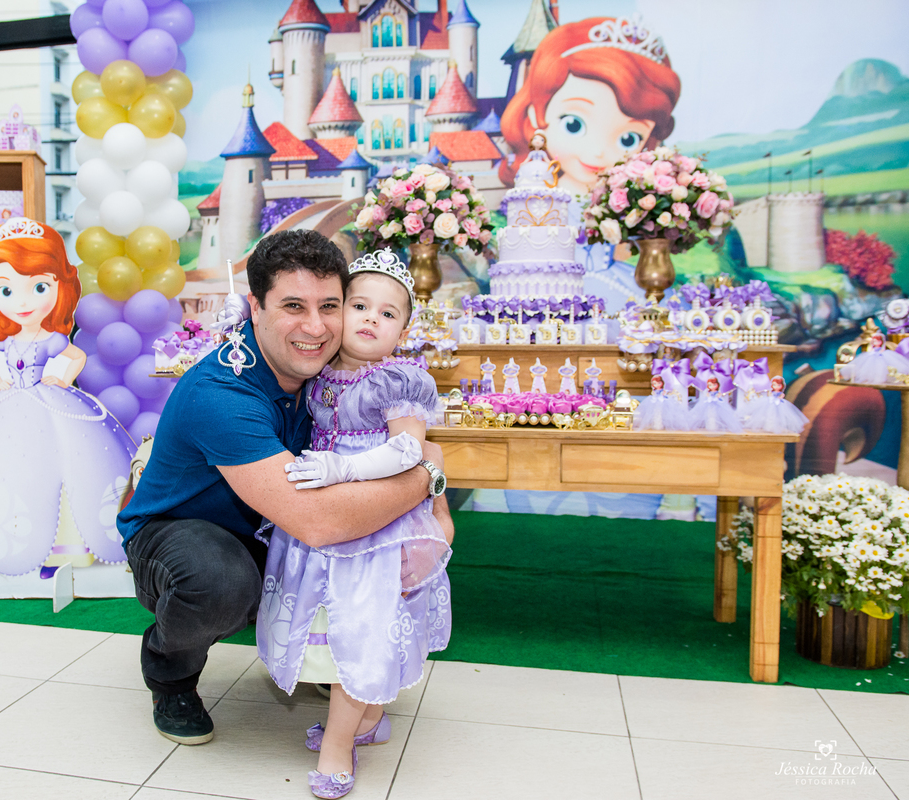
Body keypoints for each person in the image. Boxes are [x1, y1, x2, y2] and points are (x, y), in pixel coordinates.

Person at [115, 230, 449, 748]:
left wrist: (437, 510)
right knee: (221, 580)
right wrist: (428, 474)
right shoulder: (223, 392)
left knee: (351, 557)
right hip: (182, 533)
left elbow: (389, 444)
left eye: (330, 306)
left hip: (270, 525)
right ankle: (169, 670)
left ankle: (326, 654)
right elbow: (321, 520)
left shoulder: (332, 376)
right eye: (294, 306)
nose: (315, 327)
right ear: (255, 306)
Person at [257, 249, 452, 799]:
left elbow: (411, 449)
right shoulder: (317, 375)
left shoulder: (396, 380)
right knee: (336, 626)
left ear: (405, 329)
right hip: (321, 519)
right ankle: (365, 721)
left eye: (387, 313)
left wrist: (345, 466)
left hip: (378, 522)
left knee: (367, 628)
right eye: (358, 304)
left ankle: (339, 744)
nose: (370, 318)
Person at [0, 217, 135, 577]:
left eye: (39, 287)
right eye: (7, 290)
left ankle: (65, 548)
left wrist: (60, 378)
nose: (23, 302)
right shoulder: (5, 338)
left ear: (58, 287)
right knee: (3, 461)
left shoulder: (52, 339)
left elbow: (76, 357)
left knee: (68, 458)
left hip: (50, 398)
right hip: (10, 400)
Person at [499, 15, 682, 311]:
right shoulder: (538, 193)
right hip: (550, 291)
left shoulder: (620, 198)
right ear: (536, 116)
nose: (598, 152)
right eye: (574, 124)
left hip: (615, 282)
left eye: (628, 138)